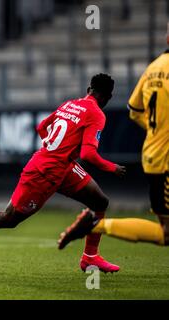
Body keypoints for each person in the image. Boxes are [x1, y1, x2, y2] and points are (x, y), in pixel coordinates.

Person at [0, 73, 126, 273]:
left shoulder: (70, 104)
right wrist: (112, 167)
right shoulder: (97, 113)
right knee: (8, 219)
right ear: (107, 98)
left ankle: (90, 257)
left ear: (89, 90)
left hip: (62, 166)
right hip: (44, 173)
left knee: (99, 202)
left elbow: (42, 127)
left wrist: (52, 149)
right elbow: (88, 154)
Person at [58, 24, 169, 248]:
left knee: (165, 232)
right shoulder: (95, 114)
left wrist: (156, 131)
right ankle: (95, 225)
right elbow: (88, 153)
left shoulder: (153, 68)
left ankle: (94, 227)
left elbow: (135, 110)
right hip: (166, 159)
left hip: (152, 155)